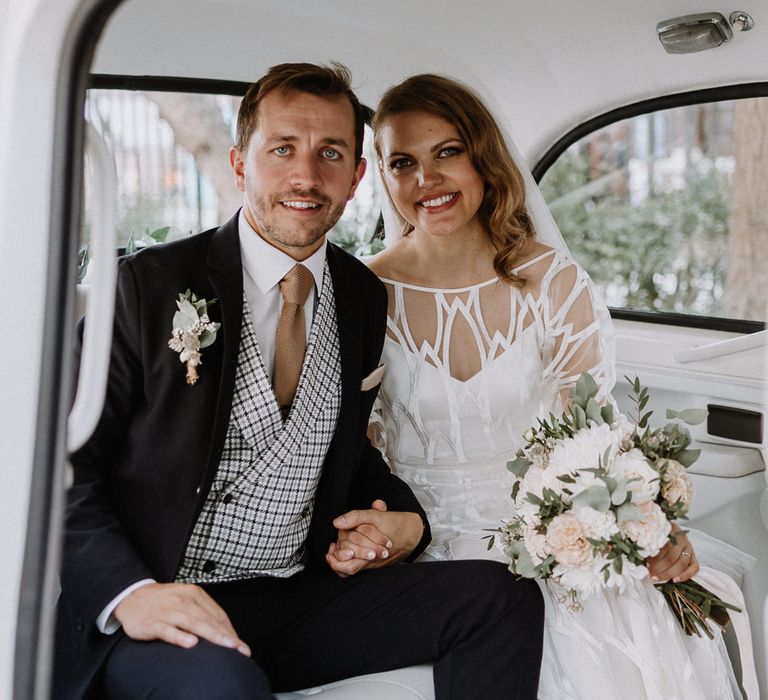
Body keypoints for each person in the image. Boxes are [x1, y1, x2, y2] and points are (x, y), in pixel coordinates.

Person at [54, 64, 545, 700]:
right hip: (162, 599)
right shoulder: (146, 287)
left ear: (357, 176)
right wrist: (132, 595)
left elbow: (340, 445)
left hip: (293, 593)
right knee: (224, 690)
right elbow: (59, 468)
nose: (306, 177)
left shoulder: (363, 294)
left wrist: (405, 521)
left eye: (330, 153)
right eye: (282, 149)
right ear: (240, 162)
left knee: (501, 597)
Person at [367, 73, 749, 699]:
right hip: (419, 551)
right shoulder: (361, 291)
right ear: (382, 177)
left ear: (482, 159)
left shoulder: (553, 282)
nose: (426, 181)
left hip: (553, 541)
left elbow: (593, 435)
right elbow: (356, 449)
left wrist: (645, 522)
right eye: (402, 162)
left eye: (447, 153)